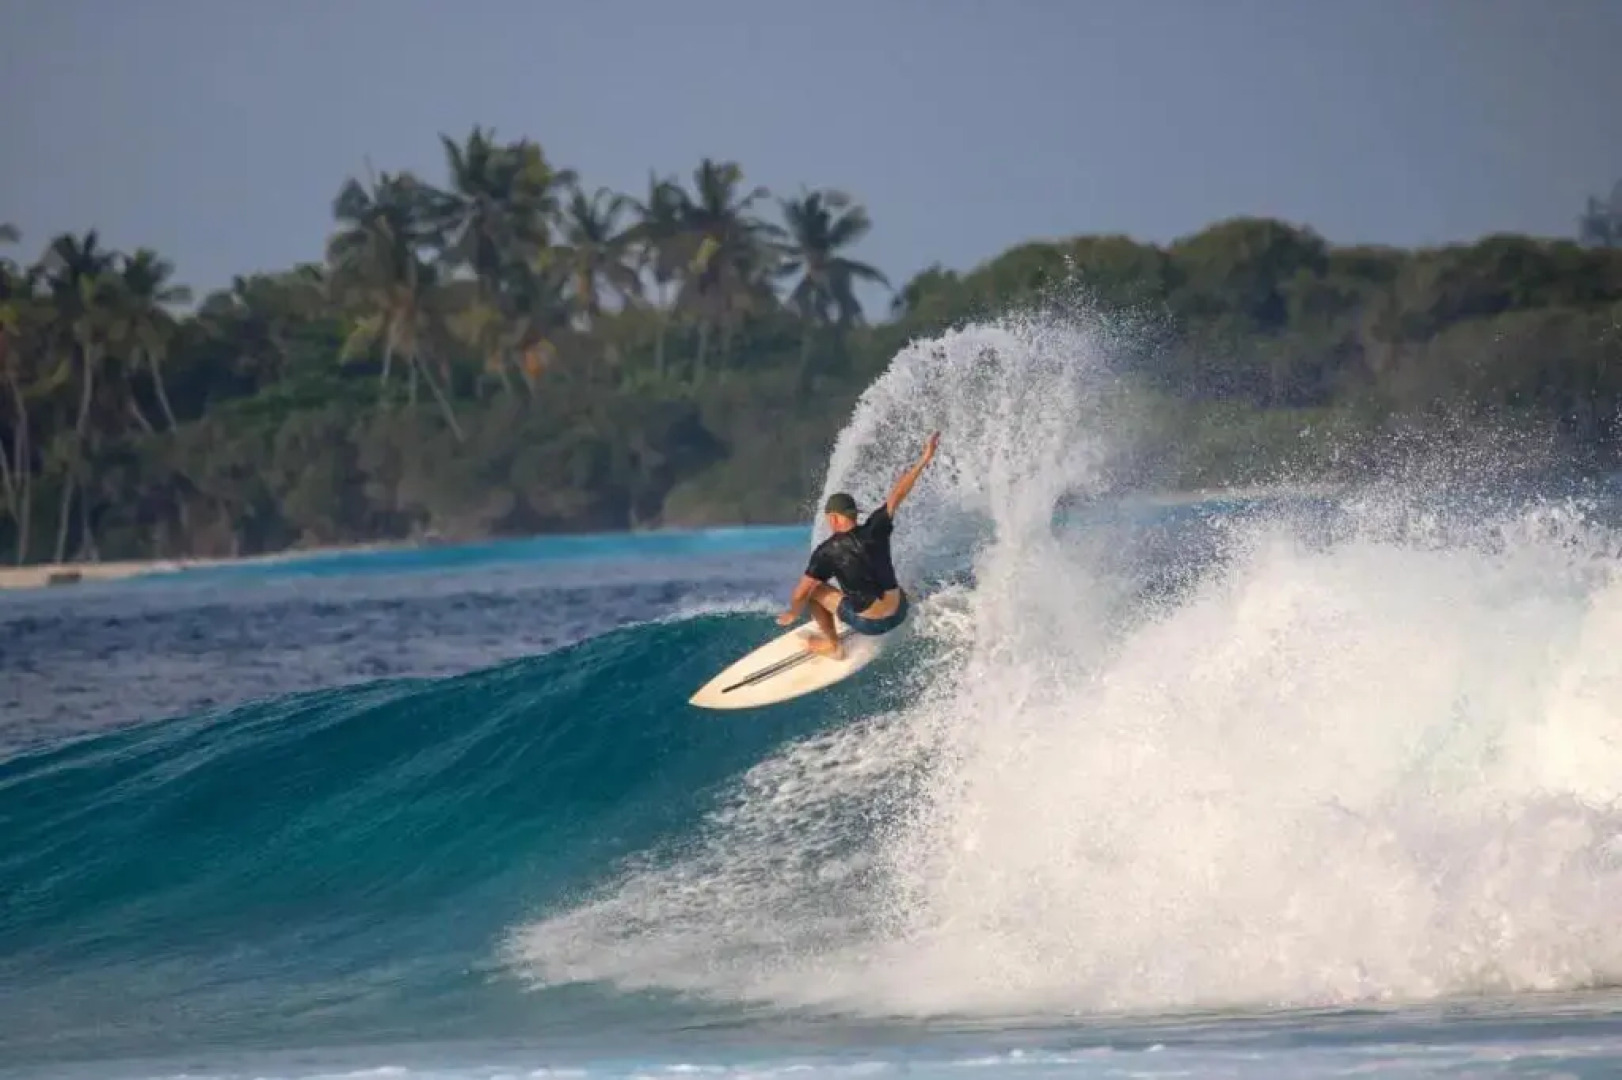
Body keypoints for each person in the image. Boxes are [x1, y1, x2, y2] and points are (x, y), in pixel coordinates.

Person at [777, 432, 941, 658]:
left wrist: (792, 614)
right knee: (888, 579)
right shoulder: (876, 527)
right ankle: (912, 599)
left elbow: (801, 592)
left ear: (834, 518)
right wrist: (925, 458)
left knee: (815, 591)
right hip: (900, 612)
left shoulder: (826, 552)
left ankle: (833, 646)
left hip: (870, 625)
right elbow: (897, 494)